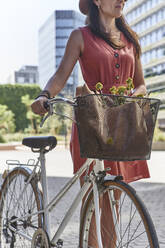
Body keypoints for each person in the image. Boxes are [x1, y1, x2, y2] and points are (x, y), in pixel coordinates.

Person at [31, 0, 150, 246]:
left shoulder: (131, 39)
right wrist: (45, 96)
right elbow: (61, 75)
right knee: (96, 202)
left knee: (113, 199)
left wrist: (130, 97)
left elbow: (141, 84)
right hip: (92, 125)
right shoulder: (80, 36)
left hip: (120, 127)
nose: (122, 0)